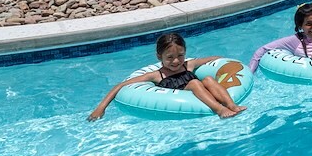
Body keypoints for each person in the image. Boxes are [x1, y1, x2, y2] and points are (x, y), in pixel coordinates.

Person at [88, 33, 246, 120]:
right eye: (170, 57)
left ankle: (231, 106)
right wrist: (101, 108)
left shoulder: (189, 65)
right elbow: (119, 86)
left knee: (208, 80)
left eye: (180, 55)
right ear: (159, 57)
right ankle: (220, 110)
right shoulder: (156, 76)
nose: (176, 61)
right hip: (180, 98)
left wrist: (227, 64)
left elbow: (215, 59)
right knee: (195, 84)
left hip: (201, 92)